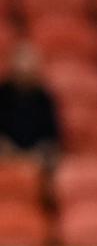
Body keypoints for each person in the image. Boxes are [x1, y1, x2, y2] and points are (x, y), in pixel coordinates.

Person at [0, 42, 60, 170]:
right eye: (20, 71)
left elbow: (51, 136)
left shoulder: (44, 98)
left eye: (28, 71)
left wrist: (37, 152)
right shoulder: (2, 94)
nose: (24, 73)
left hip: (36, 156)